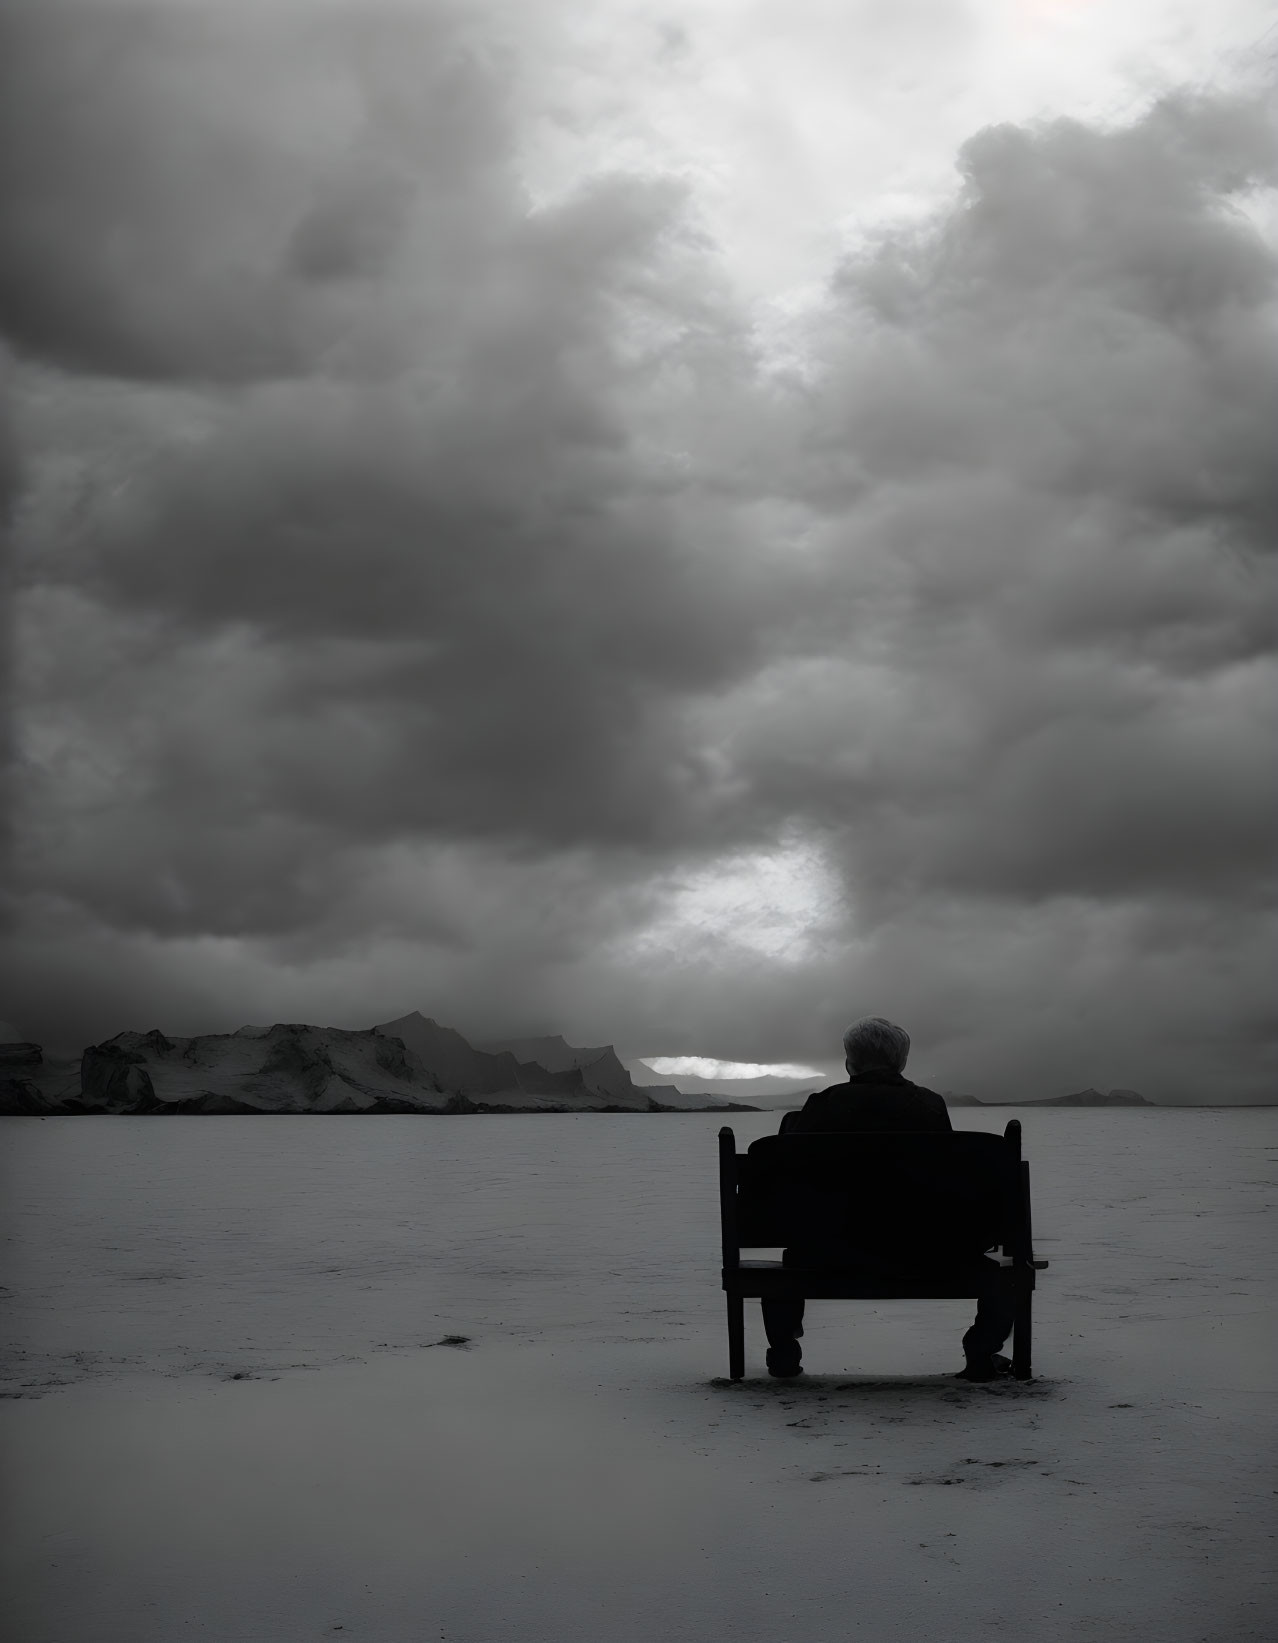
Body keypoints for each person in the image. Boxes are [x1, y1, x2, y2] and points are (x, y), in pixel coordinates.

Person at [760, 1016, 1016, 1382]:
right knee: (1001, 1277)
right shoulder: (928, 1106)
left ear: (850, 1062)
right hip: (925, 1250)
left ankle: (784, 1353)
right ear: (902, 1062)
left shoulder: (822, 1105)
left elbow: (786, 1183)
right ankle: (981, 1351)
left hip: (827, 1251)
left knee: (789, 1263)